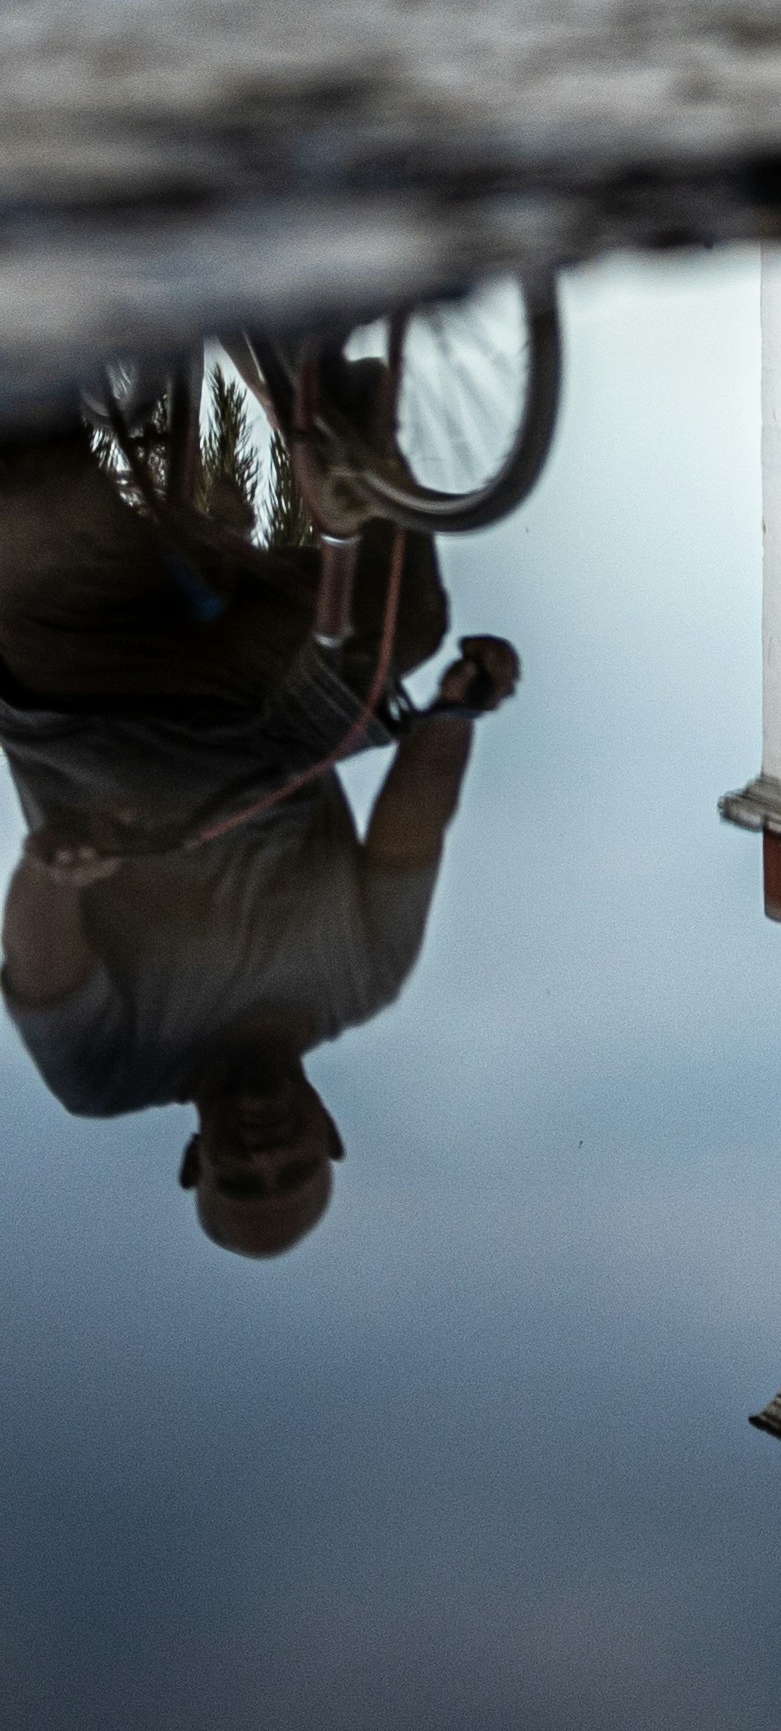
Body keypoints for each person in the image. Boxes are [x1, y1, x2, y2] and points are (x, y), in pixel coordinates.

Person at [0, 390, 518, 1257]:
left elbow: (44, 966)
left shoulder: (108, 1074)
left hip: (96, 714)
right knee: (411, 627)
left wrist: (55, 874)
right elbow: (412, 833)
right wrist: (454, 718)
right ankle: (335, 403)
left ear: (196, 1160)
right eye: (293, 1168)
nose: (266, 1154)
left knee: (33, 480)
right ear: (331, 1136)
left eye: (240, 1176)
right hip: (275, 716)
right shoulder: (363, 981)